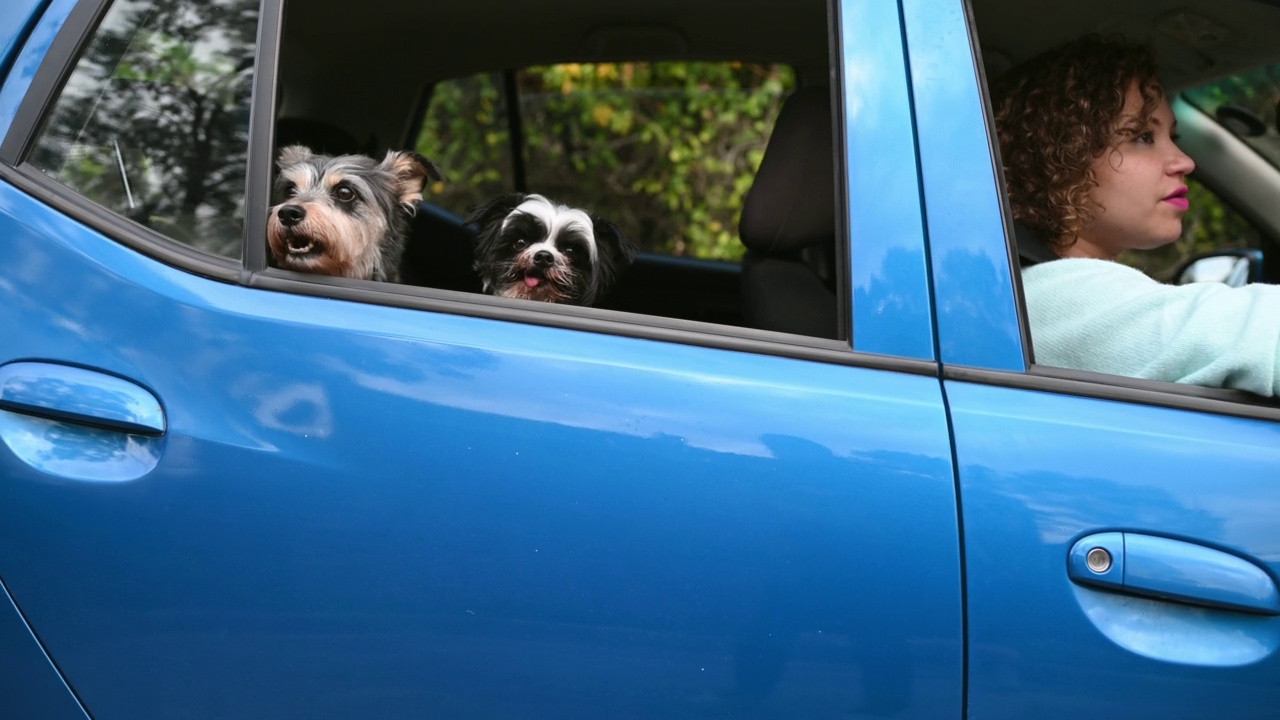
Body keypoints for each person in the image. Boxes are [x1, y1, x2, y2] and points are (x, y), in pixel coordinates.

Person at [992, 34, 1280, 397]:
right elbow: (1262, 335)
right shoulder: (1049, 298)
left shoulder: (1019, 290)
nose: (1185, 162)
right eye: (1142, 136)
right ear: (1058, 160)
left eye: (1172, 136)